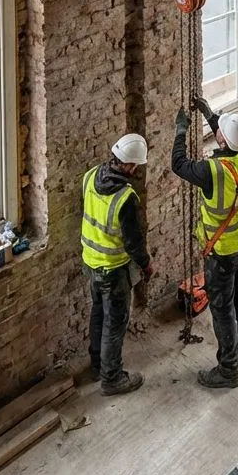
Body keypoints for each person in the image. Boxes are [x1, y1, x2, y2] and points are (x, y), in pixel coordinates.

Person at [172, 98, 238, 389]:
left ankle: (228, 369)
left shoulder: (213, 171)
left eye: (218, 128)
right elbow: (228, 137)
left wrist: (181, 131)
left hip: (221, 251)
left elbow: (178, 164)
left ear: (221, 139)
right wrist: (209, 115)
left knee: (222, 309)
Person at [81, 133, 156, 396]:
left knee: (98, 314)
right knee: (115, 323)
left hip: (91, 262)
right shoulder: (125, 198)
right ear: (130, 165)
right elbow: (133, 242)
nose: (136, 170)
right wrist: (146, 264)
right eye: (136, 166)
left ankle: (97, 366)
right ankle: (112, 378)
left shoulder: (90, 176)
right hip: (113, 269)